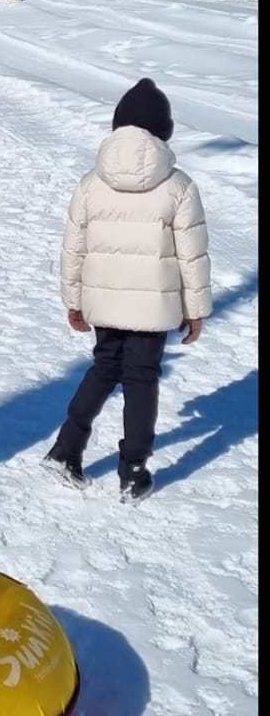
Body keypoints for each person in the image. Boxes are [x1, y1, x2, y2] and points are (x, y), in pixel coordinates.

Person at [44, 78, 212, 502]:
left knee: (104, 368)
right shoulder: (179, 186)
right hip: (152, 310)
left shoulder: (90, 182)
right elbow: (192, 256)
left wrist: (74, 301)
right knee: (140, 381)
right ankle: (133, 470)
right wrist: (196, 310)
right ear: (163, 131)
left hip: (102, 302)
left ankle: (67, 449)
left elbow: (73, 247)